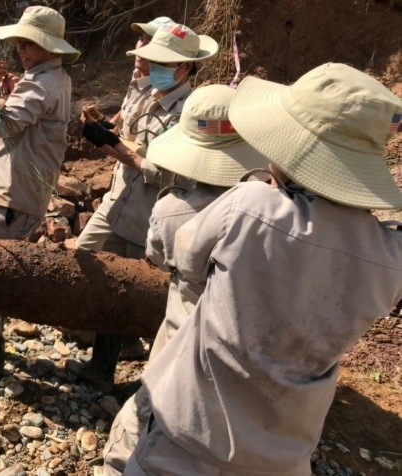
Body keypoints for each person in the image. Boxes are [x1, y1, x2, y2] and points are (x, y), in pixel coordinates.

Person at [125, 62, 402, 476]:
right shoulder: (390, 254)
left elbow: (188, 261)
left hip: (190, 437)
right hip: (284, 455)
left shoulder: (250, 206)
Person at [101, 84, 268, 475]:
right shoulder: (277, 214)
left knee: (140, 425)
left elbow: (157, 261)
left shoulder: (172, 209)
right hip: (251, 354)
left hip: (182, 340)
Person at [68, 21, 219, 392]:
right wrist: (109, 134)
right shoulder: (149, 92)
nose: (154, 67)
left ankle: (156, 386)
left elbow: (169, 172)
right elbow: (133, 138)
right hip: (118, 204)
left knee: (141, 296)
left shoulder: (191, 112)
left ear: (185, 69)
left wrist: (115, 149)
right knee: (92, 270)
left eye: (164, 63)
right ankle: (103, 365)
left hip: (149, 221)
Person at [0, 5, 79, 385]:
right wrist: (10, 93)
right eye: (20, 42)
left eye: (29, 43)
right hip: (12, 192)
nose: (21, 49)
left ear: (47, 45)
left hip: (7, 195)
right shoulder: (52, 78)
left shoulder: (40, 83)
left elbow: (1, 127)